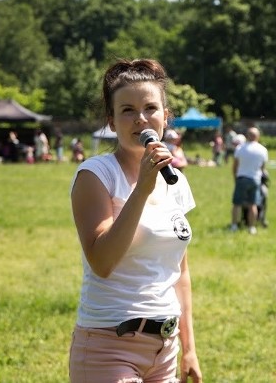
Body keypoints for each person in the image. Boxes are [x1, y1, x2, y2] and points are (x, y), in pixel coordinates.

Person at [68, 58, 202, 383]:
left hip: (164, 349)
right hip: (109, 344)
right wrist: (141, 189)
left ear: (166, 117)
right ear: (111, 121)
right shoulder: (97, 175)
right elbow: (101, 261)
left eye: (150, 108)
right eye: (127, 110)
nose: (141, 119)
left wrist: (189, 349)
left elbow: (179, 273)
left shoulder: (176, 182)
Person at [229, 127, 268, 235]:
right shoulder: (263, 150)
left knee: (237, 204)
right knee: (253, 204)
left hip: (241, 178)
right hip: (255, 179)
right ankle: (251, 227)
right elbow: (263, 168)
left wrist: (235, 178)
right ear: (258, 136)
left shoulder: (240, 148)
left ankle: (234, 225)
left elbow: (235, 166)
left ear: (247, 136)